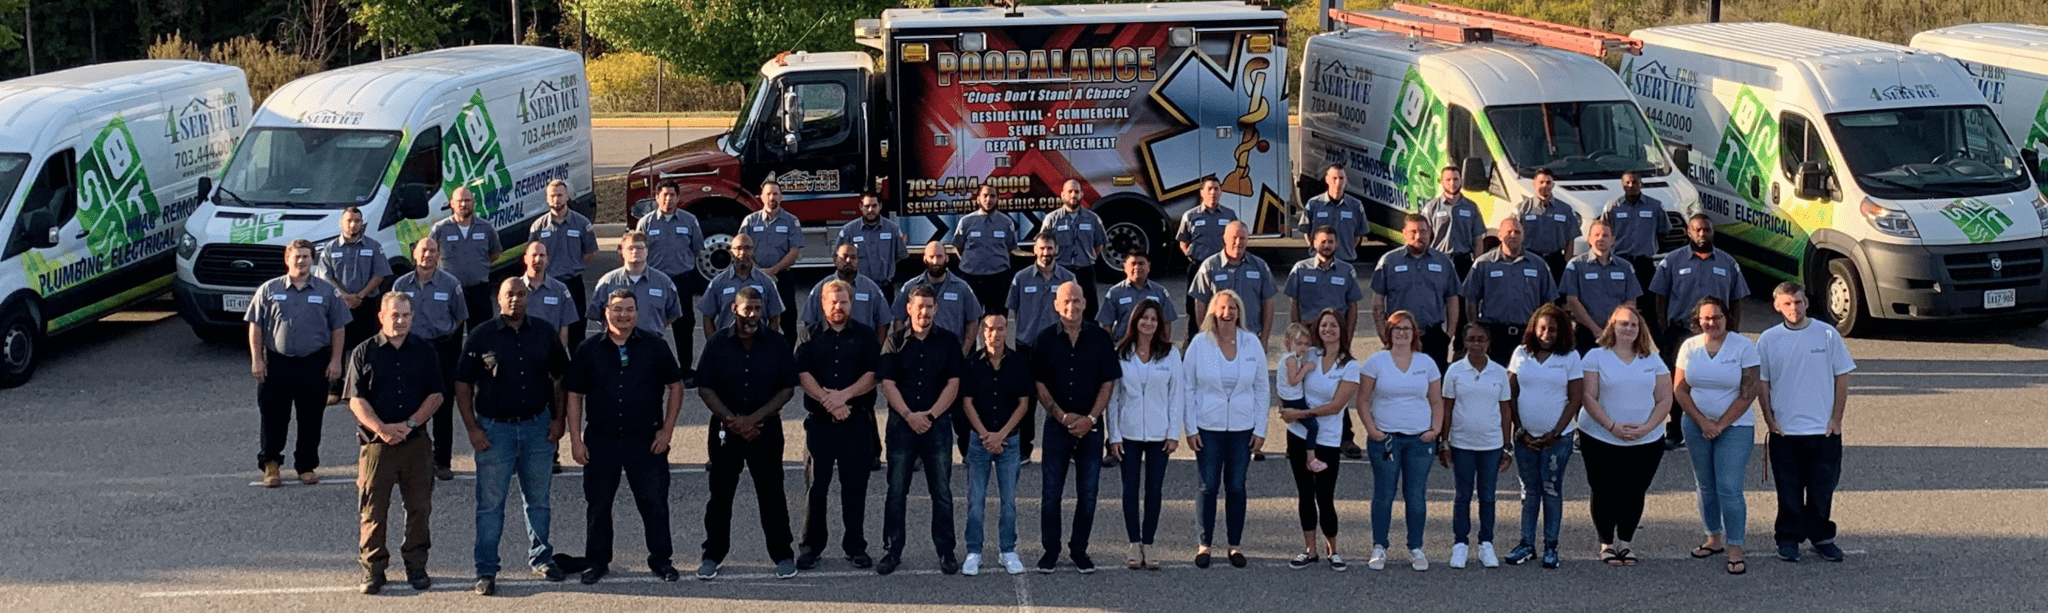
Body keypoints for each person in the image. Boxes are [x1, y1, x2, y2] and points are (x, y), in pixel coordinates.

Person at [455, 277, 571, 595]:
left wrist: (559, 421)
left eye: (521, 294)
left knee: (538, 501)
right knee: (490, 504)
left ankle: (542, 559)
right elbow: (462, 384)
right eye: (510, 294)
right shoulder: (481, 336)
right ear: (498, 298)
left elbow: (562, 378)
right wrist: (472, 428)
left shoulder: (545, 333)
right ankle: (487, 570)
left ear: (528, 298)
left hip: (537, 427)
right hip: (495, 431)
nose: (516, 300)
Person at [564, 289, 686, 584]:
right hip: (601, 439)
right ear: (606, 312)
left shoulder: (655, 346)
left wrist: (667, 431)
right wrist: (576, 440)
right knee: (599, 505)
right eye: (617, 309)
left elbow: (676, 387)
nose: (624, 315)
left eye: (629, 310)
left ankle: (661, 560)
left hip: (645, 440)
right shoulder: (588, 349)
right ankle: (597, 561)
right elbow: (574, 395)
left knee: (654, 503)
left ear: (637, 313)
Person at [695, 287, 800, 580]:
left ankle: (782, 554)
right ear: (734, 310)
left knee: (772, 495)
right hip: (725, 432)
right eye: (747, 309)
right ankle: (712, 554)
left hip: (765, 431)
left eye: (757, 309)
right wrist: (732, 421)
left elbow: (787, 388)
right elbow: (705, 387)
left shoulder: (777, 344)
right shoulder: (716, 343)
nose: (753, 315)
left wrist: (753, 419)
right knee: (719, 497)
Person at [345, 293, 445, 594]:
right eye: (394, 315)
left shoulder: (425, 351)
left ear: (412, 317)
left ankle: (417, 567)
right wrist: (381, 428)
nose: (400, 320)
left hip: (415, 443)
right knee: (373, 511)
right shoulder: (364, 352)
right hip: (376, 446)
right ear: (381, 316)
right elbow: (355, 399)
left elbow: (436, 395)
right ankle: (373, 570)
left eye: (405, 315)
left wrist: (410, 424)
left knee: (419, 508)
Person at [1755, 282, 1855, 564]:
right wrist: (1769, 419)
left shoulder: (1826, 334)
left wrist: (1836, 419)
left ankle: (1822, 537)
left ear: (1806, 303)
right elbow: (1762, 383)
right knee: (1788, 491)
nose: (1794, 308)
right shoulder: (1768, 340)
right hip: (1786, 432)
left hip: (1823, 431)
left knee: (1823, 489)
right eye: (1787, 303)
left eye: (1798, 302)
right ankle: (1788, 538)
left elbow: (1842, 377)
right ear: (1777, 306)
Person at [1031, 282, 1122, 574]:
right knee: (1051, 494)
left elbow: (1109, 381)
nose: (1072, 307)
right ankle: (1051, 550)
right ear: (1057, 305)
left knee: (1088, 493)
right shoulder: (1044, 339)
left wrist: (1091, 419)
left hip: (1091, 428)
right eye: (1066, 302)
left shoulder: (1100, 338)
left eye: (1077, 301)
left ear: (1085, 304)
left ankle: (1079, 550)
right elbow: (1039, 383)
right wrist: (1060, 415)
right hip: (1057, 427)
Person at [246, 239, 351, 488]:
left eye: (306, 257)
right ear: (287, 258)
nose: (301, 261)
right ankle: (271, 464)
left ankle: (306, 465)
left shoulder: (327, 292)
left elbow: (339, 327)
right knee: (273, 416)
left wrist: (336, 361)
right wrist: (257, 359)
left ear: (311, 260)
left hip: (314, 364)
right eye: (297, 256)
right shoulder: (269, 289)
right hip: (277, 364)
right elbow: (255, 325)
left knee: (311, 417)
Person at [794, 279, 883, 571]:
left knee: (854, 488)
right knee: (816, 487)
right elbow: (803, 375)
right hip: (820, 424)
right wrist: (827, 401)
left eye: (843, 301)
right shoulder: (809, 336)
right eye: (833, 301)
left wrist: (843, 398)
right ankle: (810, 547)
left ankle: (855, 546)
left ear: (851, 303)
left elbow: (872, 375)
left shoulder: (866, 336)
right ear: (823, 304)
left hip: (856, 423)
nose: (838, 306)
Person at [876, 285, 964, 576]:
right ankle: (892, 550)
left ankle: (946, 550)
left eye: (930, 307)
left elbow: (953, 384)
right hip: (902, 425)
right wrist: (909, 415)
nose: (925, 312)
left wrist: (930, 415)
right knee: (896, 491)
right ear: (909, 309)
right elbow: (887, 384)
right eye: (920, 307)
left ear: (936, 309)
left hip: (937, 425)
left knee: (941, 492)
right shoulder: (894, 341)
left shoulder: (950, 342)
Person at [1577, 304, 1671, 567]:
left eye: (1633, 324)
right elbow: (1588, 397)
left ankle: (1626, 543)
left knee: (1634, 491)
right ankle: (1607, 543)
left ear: (1640, 328)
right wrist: (1611, 426)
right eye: (1623, 323)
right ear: (1612, 326)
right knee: (1604, 490)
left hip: (1646, 440)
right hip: (1601, 437)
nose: (1628, 328)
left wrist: (1647, 427)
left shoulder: (1652, 359)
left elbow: (1665, 398)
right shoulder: (1595, 357)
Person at [1672, 296, 1760, 575]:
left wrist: (1720, 424)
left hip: (1734, 427)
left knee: (1729, 486)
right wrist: (1702, 422)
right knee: (1705, 484)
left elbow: (1749, 392)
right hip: (1696, 425)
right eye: (1705, 318)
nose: (1711, 323)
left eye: (1717, 317)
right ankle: (1712, 538)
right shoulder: (1689, 346)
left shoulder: (1744, 346)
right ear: (1698, 320)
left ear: (1727, 318)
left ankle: (1735, 547)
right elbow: (1680, 389)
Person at [1181, 290, 1267, 569]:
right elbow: (1187, 387)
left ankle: (1234, 545)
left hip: (1243, 427)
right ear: (1212, 313)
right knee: (1208, 486)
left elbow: (1262, 387)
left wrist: (1261, 428)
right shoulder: (1199, 343)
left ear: (1239, 312)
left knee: (1236, 486)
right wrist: (1191, 428)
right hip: (1208, 426)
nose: (1227, 312)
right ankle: (1204, 544)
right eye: (1222, 307)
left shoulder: (1251, 343)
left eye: (1233, 307)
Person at [1649, 214, 1747, 446]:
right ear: (1689, 233)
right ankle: (1675, 431)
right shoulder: (1672, 261)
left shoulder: (1727, 262)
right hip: (1681, 332)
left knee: (1715, 380)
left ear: (1712, 232)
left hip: (1716, 334)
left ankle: (1717, 424)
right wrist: (1663, 330)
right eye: (1697, 230)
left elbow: (1736, 299)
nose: (1702, 234)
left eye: (1706, 230)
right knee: (1678, 383)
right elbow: (1660, 297)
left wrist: (1733, 331)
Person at [1358, 310, 1445, 572]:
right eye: (1397, 329)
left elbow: (1437, 401)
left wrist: (1435, 430)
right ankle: (1379, 546)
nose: (1402, 333)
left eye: (1407, 329)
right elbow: (1362, 400)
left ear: (1414, 333)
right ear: (1389, 333)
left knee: (1416, 495)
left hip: (1419, 440)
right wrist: (1373, 430)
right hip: (1385, 439)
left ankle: (1416, 547)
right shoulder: (1375, 362)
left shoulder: (1427, 363)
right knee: (1384, 494)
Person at [1277, 309, 1360, 572]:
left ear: (1342, 330)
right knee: (1305, 493)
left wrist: (1300, 414)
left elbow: (1335, 406)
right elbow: (1287, 381)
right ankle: (1309, 549)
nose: (1327, 330)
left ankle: (1333, 550)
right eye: (1323, 325)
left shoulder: (1350, 365)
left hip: (1328, 440)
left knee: (1325, 496)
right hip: (1299, 435)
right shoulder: (1309, 353)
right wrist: (1284, 407)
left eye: (1333, 325)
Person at [1105, 300, 1183, 571]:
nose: (1148, 323)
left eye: (1153, 319)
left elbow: (1177, 396)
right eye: (1144, 318)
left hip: (1160, 434)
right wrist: (1113, 436)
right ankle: (1133, 543)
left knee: (1154, 489)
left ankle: (1149, 543)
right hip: (1128, 433)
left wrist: (1174, 433)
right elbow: (1113, 399)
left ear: (1159, 324)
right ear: (1135, 321)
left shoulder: (1170, 354)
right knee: (1130, 489)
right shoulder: (1121, 353)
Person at [1502, 304, 1581, 569]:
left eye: (1553, 329)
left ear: (1562, 332)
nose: (1547, 333)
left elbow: (1576, 397)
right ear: (1534, 329)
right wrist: (1520, 429)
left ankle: (1551, 546)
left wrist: (1556, 432)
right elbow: (1509, 393)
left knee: (1551, 490)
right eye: (1542, 328)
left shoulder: (1570, 357)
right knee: (1528, 491)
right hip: (1525, 437)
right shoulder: (1521, 353)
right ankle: (1526, 544)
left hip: (1557, 439)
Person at [960, 313, 1032, 576]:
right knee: (975, 500)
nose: (995, 334)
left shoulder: (1020, 363)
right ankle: (974, 551)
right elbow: (967, 403)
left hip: (1009, 441)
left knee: (1008, 501)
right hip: (979, 442)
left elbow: (1024, 404)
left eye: (1000, 329)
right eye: (990, 329)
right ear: (982, 332)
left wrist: (1001, 435)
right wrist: (985, 436)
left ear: (1006, 332)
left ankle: (1007, 550)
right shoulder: (971, 365)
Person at [391, 237, 469, 480]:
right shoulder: (401, 285)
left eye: (433, 251)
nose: (428, 255)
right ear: (415, 254)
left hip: (441, 349)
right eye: (423, 250)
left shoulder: (451, 284)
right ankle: (412, 461)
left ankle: (442, 461)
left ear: (438, 255)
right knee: (411, 404)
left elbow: (458, 318)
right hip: (410, 349)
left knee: (442, 406)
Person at [1438, 324, 1513, 569]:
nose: (1476, 344)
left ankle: (1486, 543)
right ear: (1464, 342)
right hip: (1462, 443)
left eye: (1481, 339)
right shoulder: (1455, 371)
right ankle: (1460, 543)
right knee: (1462, 495)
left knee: (1488, 495)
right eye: (1471, 339)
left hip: (1491, 444)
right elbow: (1447, 407)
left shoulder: (1499, 372)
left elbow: (1505, 409)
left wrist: (1506, 445)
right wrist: (1444, 441)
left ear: (1489, 343)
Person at [509, 241, 578, 474]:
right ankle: (521, 454)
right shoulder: (515, 289)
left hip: (550, 362)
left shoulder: (560, 290)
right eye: (534, 255)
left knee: (554, 408)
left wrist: (557, 357)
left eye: (542, 255)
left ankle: (552, 455)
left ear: (548, 259)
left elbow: (565, 328)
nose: (538, 259)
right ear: (525, 258)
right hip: (521, 361)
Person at [1009, 234, 1074, 462]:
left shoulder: (1068, 279)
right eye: (1042, 249)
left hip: (1058, 346)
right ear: (1035, 250)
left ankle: (1067, 446)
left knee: (1063, 395)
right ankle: (1024, 449)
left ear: (1056, 249)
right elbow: (1014, 309)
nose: (1046, 253)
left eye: (1050, 248)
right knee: (1025, 399)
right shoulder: (1021, 278)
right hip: (1027, 347)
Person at [1371, 214, 1462, 369]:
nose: (1418, 236)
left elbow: (1452, 299)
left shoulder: (1443, 262)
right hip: (1399, 335)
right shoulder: (1389, 261)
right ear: (1404, 233)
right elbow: (1378, 301)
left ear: (1430, 233)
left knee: (1435, 387)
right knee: (1400, 385)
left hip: (1434, 336)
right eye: (1413, 231)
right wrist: (1383, 333)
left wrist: (1449, 334)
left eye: (1423, 231)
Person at [1464, 216, 1556, 367]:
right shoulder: (1483, 264)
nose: (1513, 235)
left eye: (1517, 232)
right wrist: (1474, 326)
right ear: (1499, 235)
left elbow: (1549, 302)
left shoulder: (1538, 265)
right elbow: (1471, 298)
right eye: (1508, 232)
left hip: (1527, 333)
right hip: (1494, 334)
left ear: (1523, 235)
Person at [639, 180, 707, 359]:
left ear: (678, 198)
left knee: (684, 325)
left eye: (672, 195)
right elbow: (639, 251)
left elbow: (697, 248)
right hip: (655, 281)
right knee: (651, 324)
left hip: (682, 280)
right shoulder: (646, 223)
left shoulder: (689, 220)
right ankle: (651, 366)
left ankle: (685, 368)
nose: (668, 199)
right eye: (664, 195)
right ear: (656, 198)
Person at [316, 207, 391, 363]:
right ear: (341, 223)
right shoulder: (330, 248)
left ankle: (364, 384)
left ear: (362, 223)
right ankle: (336, 385)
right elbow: (325, 276)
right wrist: (344, 297)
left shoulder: (374, 246)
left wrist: (359, 296)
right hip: (338, 305)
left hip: (366, 305)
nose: (353, 225)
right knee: (336, 348)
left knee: (367, 348)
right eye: (349, 221)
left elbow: (380, 274)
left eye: (357, 221)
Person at [530, 179, 599, 344]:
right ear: (547, 199)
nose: (556, 199)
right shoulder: (538, 227)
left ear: (567, 196)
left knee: (577, 332)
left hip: (573, 284)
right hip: (548, 284)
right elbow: (532, 255)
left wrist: (571, 266)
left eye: (560, 195)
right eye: (552, 196)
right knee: (548, 331)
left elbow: (589, 253)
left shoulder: (582, 224)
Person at [1561, 219, 1643, 352]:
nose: (1601, 239)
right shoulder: (1575, 266)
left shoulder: (1625, 267)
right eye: (1596, 235)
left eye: (1605, 235)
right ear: (1589, 238)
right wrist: (1596, 330)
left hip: (1618, 335)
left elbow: (1631, 301)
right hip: (1585, 333)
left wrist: (1614, 328)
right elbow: (1572, 301)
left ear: (1613, 240)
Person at [589, 230, 685, 339]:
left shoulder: (664, 282)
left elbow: (672, 315)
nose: (635, 251)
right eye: (630, 248)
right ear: (621, 252)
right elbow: (596, 314)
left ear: (647, 251)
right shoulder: (607, 282)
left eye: (640, 248)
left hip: (650, 344)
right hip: (616, 345)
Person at [1600, 170, 1668, 322]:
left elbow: (1663, 231)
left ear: (1641, 183)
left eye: (1635, 182)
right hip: (1620, 262)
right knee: (1618, 301)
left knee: (1648, 303)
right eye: (1627, 183)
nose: (1631, 186)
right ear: (1622, 185)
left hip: (1645, 263)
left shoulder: (1655, 206)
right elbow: (1603, 231)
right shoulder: (1612, 206)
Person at [431, 185, 503, 328]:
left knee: (480, 336)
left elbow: (495, 253)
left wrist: (477, 266)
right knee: (451, 337)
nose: (464, 204)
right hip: (450, 291)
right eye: (460, 201)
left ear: (474, 202)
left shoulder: (486, 228)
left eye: (468, 200)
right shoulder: (439, 229)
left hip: (479, 291)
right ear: (451, 204)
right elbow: (430, 255)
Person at [742, 179, 804, 338]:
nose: (772, 197)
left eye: (775, 193)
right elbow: (742, 249)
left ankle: (788, 358)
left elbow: (794, 251)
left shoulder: (791, 221)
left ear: (781, 197)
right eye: (768, 194)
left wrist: (773, 270)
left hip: (782, 277)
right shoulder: (750, 221)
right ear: (761, 197)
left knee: (788, 321)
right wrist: (757, 270)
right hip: (755, 277)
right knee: (756, 318)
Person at [895, 240, 983, 353]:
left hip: (951, 354)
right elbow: (898, 319)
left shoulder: (962, 288)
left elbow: (973, 321)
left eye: (939, 256)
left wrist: (963, 353)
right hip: (919, 354)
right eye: (931, 256)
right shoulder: (910, 287)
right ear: (924, 258)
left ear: (947, 258)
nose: (935, 261)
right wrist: (905, 348)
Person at [1175, 177, 1237, 337]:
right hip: (1198, 267)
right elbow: (1183, 242)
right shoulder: (1190, 216)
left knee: (1224, 307)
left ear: (1221, 192)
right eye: (1209, 189)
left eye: (1216, 189)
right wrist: (1193, 258)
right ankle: (1193, 342)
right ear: (1202, 192)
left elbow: (1235, 238)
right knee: (1194, 308)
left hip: (1222, 268)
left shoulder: (1230, 215)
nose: (1213, 192)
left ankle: (1224, 340)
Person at [1043, 179, 1108, 320]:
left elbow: (1099, 244)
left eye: (1077, 192)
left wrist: (1087, 258)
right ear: (1062, 195)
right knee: (1059, 311)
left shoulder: (1093, 219)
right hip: (1061, 272)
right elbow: (1043, 246)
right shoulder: (1051, 219)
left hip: (1085, 271)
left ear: (1081, 194)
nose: (1073, 195)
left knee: (1090, 312)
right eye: (1070, 191)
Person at [699, 233, 787, 337]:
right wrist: (714, 345)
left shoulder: (767, 282)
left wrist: (767, 344)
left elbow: (775, 317)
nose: (742, 253)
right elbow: (707, 317)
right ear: (731, 252)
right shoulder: (718, 283)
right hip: (727, 344)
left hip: (757, 343)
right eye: (738, 248)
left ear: (753, 251)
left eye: (747, 248)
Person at [803, 242, 892, 341]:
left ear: (858, 261)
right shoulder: (820, 288)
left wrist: (876, 351)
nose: (848, 260)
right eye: (844, 257)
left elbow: (883, 323)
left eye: (853, 257)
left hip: (862, 348)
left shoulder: (871, 289)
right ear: (835, 260)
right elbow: (809, 322)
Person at [953, 183, 1017, 317]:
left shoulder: (1007, 222)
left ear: (997, 199)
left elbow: (1010, 248)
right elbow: (959, 247)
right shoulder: (966, 222)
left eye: (992, 196)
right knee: (969, 320)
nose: (989, 200)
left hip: (998, 279)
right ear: (978, 199)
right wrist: (972, 263)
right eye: (985, 196)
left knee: (997, 321)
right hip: (971, 278)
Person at [1286, 225, 1363, 336]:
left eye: (1331, 242)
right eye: (1323, 242)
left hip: (1335, 332)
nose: (1327, 246)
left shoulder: (1347, 271)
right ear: (1314, 243)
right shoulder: (1300, 269)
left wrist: (1348, 337)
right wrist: (1297, 334)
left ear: (1336, 244)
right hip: (1308, 332)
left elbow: (1353, 306)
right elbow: (1293, 303)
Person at [1419, 166, 1486, 279]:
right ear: (1441, 182)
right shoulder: (1431, 208)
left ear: (1461, 181)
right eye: (1448, 180)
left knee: (1462, 296)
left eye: (1455, 179)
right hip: (1438, 261)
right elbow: (1424, 237)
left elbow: (1477, 239)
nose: (1452, 183)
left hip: (1463, 263)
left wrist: (1477, 265)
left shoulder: (1471, 207)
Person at [1514, 169, 1580, 282]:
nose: (1545, 185)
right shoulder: (1522, 208)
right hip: (1530, 259)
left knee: (1558, 297)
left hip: (1556, 261)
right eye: (1541, 182)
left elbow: (1571, 237)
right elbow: (1513, 234)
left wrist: (1566, 261)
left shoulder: (1565, 209)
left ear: (1553, 185)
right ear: (1534, 184)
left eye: (1548, 182)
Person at [837, 191, 905, 300]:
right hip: (858, 287)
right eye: (867, 206)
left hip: (885, 288)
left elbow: (900, 255)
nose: (870, 210)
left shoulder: (892, 229)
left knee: (885, 317)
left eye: (874, 206)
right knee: (859, 317)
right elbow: (839, 259)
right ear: (860, 207)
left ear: (880, 206)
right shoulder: (849, 231)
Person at [1097, 248, 1176, 341]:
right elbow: (1106, 325)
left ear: (1149, 266)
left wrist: (1163, 348)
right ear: (1125, 267)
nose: (1137, 268)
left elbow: (1166, 323)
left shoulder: (1160, 292)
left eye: (1141, 263)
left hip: (1152, 347)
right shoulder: (1114, 293)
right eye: (1133, 264)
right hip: (1122, 346)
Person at [1274, 324, 1322, 473]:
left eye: (1306, 344)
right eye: (1299, 344)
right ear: (1288, 343)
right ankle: (1311, 457)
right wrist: (1306, 369)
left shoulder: (1285, 358)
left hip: (1286, 397)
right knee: (1313, 426)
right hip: (1294, 399)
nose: (1303, 348)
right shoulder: (1292, 360)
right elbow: (1293, 381)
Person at [1296, 164, 1367, 262]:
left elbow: (1358, 236)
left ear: (1346, 180)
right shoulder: (1314, 204)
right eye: (1334, 178)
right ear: (1327, 179)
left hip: (1345, 261)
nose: (1338, 183)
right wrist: (1315, 250)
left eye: (1341, 178)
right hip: (1320, 262)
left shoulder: (1356, 206)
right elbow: (1306, 231)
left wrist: (1346, 252)